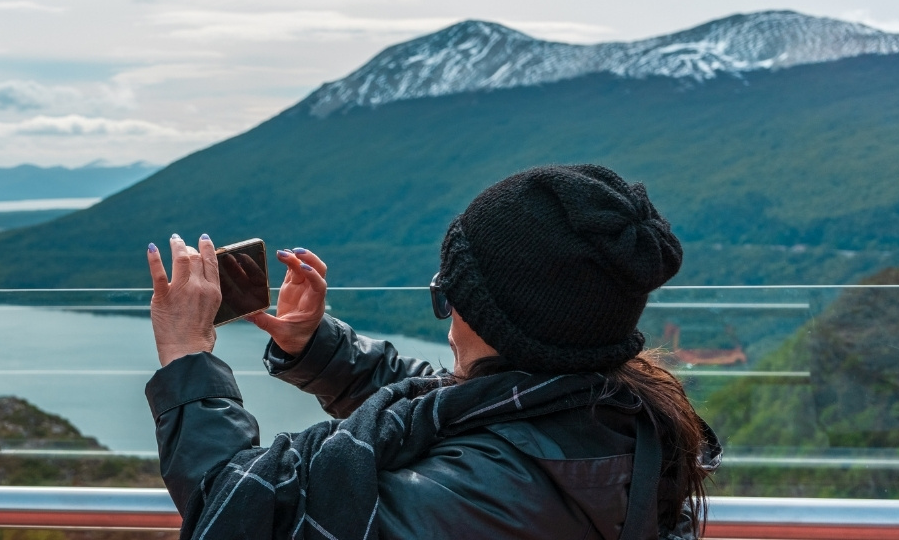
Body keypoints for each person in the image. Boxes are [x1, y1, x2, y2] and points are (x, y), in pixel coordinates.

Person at [143, 164, 720, 540]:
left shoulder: (483, 497)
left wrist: (188, 356)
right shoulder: (605, 411)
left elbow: (240, 512)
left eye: (448, 296)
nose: (446, 319)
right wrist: (312, 345)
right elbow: (448, 402)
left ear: (501, 326)